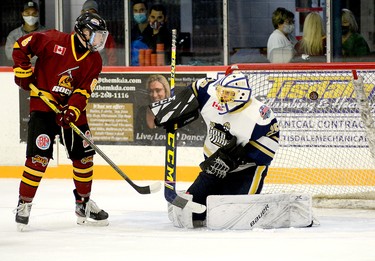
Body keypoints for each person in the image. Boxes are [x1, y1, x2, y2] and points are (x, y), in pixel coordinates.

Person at [12, 12, 109, 231]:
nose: (98, 41)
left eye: (101, 37)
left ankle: (83, 204)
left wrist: (73, 110)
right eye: (94, 36)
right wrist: (23, 70)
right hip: (44, 108)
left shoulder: (95, 60)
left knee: (84, 159)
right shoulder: (53, 39)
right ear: (81, 31)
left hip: (71, 112)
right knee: (38, 159)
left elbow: (84, 90)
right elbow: (20, 46)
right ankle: (24, 204)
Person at [151, 71, 280, 226]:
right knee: (186, 216)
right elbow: (197, 87)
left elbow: (267, 151)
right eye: (220, 92)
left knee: (233, 219)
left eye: (227, 94)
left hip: (245, 171)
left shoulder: (257, 116)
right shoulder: (211, 94)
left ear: (240, 95)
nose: (220, 98)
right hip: (212, 168)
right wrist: (175, 107)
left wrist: (238, 157)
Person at [135, 74, 171, 145]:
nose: (154, 95)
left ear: (166, 91)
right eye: (151, 91)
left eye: (158, 90)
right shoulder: (142, 111)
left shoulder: (174, 112)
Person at [81, 0, 118, 65]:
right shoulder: (76, 35)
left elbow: (113, 58)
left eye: (92, 13)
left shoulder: (105, 35)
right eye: (87, 12)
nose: (90, 16)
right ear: (82, 13)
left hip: (102, 72)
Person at [130, 0, 149, 66]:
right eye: (136, 11)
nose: (138, 13)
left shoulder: (153, 31)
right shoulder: (131, 33)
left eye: (141, 10)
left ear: (146, 11)